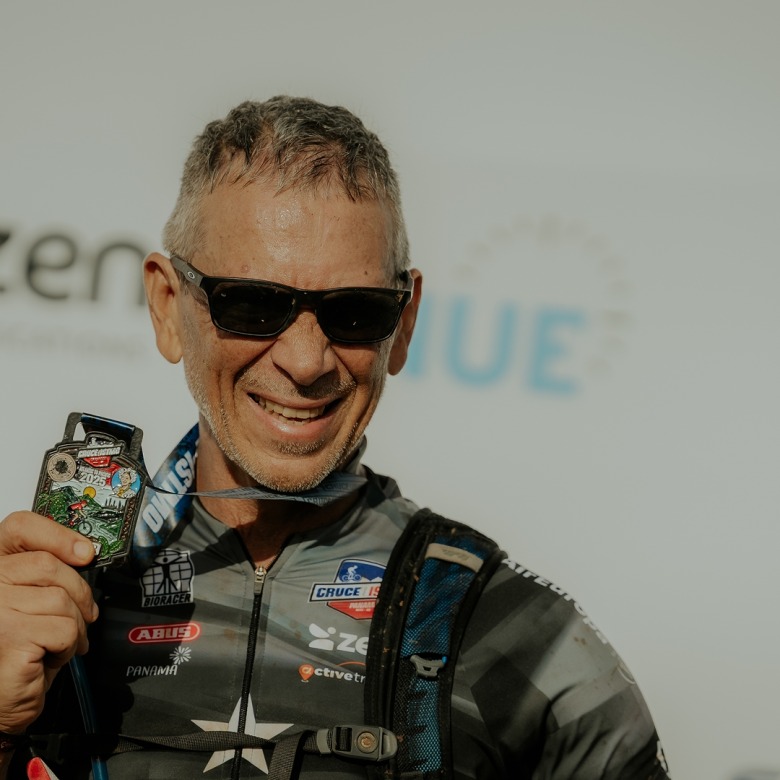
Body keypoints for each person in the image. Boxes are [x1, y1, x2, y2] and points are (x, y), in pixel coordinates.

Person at [0, 96, 671, 779]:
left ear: (403, 326)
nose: (306, 361)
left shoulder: (509, 629)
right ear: (168, 307)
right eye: (252, 304)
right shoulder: (36, 598)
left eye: (355, 312)